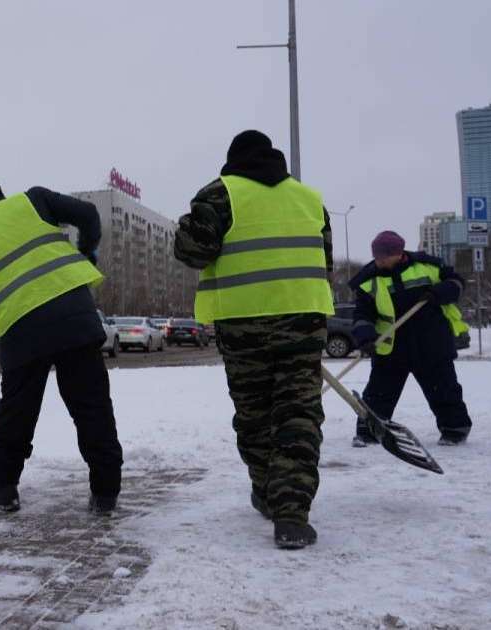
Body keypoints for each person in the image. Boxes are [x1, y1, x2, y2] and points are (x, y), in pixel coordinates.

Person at [174, 130, 334, 550]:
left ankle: (269, 493)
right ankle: (291, 514)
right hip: (302, 320)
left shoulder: (219, 194)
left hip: (243, 324)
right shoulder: (310, 199)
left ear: (232, 160)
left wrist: (188, 224)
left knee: (255, 415)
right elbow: (325, 260)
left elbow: (193, 251)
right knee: (298, 415)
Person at [0, 179, 123, 515]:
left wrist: (0, 338)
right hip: (74, 315)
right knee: (91, 407)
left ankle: (5, 489)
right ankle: (105, 493)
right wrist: (86, 253)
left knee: (16, 412)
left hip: (21, 329)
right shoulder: (34, 200)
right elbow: (89, 215)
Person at [350, 231, 472, 448]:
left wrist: (438, 293)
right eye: (377, 257)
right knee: (379, 393)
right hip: (392, 347)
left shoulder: (429, 266)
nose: (379, 261)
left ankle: (455, 429)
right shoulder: (367, 280)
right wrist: (366, 336)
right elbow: (362, 315)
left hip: (431, 342)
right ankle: (369, 432)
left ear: (398, 253)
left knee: (443, 388)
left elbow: (457, 283)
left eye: (384, 257)